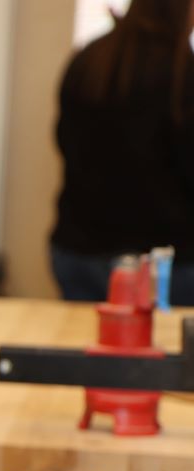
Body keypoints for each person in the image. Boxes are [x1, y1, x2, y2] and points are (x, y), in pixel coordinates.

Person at [49, 0, 194, 304]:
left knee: (85, 347)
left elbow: (64, 142)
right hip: (167, 262)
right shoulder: (183, 73)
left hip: (81, 249)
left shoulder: (92, 59)